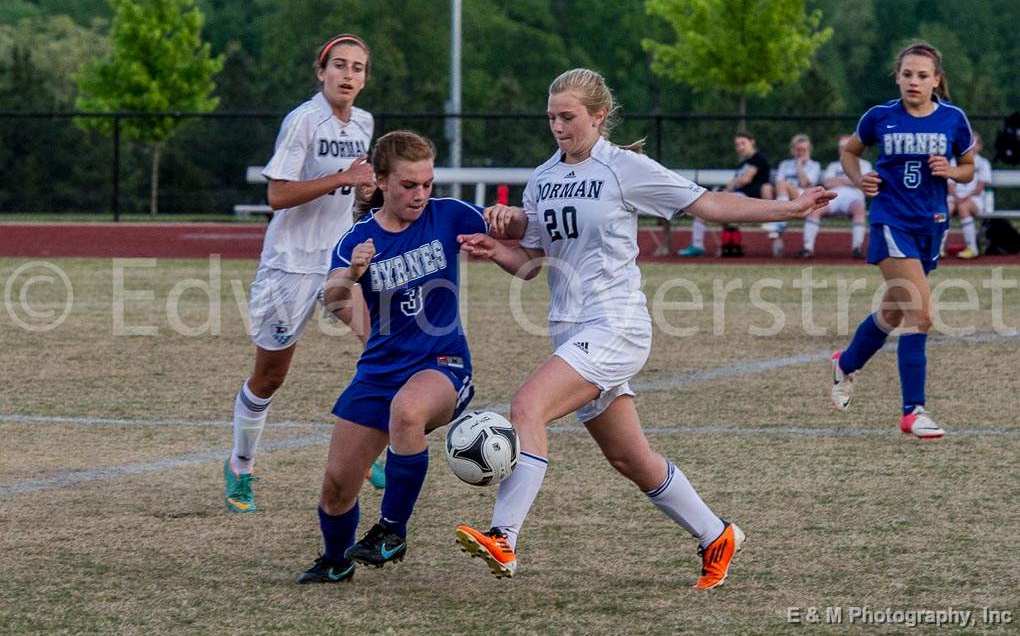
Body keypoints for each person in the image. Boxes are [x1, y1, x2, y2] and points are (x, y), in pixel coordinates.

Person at [455, 68, 834, 589]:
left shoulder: (623, 168)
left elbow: (711, 205)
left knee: (527, 407)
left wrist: (787, 207)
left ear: (598, 116)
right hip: (571, 330)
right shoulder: (542, 178)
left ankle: (504, 537)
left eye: (568, 117)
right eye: (551, 118)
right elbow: (531, 264)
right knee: (629, 456)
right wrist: (497, 248)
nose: (559, 127)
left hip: (616, 324)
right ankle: (715, 534)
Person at [296, 130, 525, 583]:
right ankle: (336, 562)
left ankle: (392, 531)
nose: (420, 195)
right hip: (380, 370)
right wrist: (353, 273)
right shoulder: (358, 239)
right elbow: (332, 296)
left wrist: (508, 216)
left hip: (443, 364)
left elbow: (518, 228)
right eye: (408, 185)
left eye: (427, 183)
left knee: (407, 412)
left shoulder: (448, 215)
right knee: (337, 487)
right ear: (381, 181)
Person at [223, 34, 381, 514]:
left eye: (358, 67)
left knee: (379, 345)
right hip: (288, 265)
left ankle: (376, 452)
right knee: (269, 378)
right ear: (321, 71)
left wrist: (367, 193)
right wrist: (343, 179)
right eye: (339, 65)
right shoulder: (302, 121)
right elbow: (278, 196)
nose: (348, 75)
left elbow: (354, 193)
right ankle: (240, 466)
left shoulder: (365, 123)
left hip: (336, 261)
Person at [831, 41, 975, 439]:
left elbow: (969, 169)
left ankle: (845, 364)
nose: (914, 81)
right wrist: (861, 180)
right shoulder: (880, 117)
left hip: (931, 224)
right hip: (890, 222)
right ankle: (913, 411)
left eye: (923, 75)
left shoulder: (953, 119)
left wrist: (951, 170)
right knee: (921, 314)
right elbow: (850, 153)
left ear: (937, 81)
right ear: (897, 77)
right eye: (907, 74)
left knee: (893, 314)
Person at [678, 131, 772, 257]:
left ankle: (698, 245)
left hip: (748, 200)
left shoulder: (758, 158)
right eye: (737, 144)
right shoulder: (743, 163)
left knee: (703, 209)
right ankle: (699, 246)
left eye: (743, 143)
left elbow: (746, 179)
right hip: (738, 198)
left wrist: (728, 188)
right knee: (701, 212)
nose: (740, 147)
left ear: (752, 142)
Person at [797, 134, 870, 260]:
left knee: (860, 208)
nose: (843, 149)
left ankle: (856, 248)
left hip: (853, 200)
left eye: (846, 146)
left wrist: (843, 180)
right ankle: (807, 249)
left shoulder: (864, 164)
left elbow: (863, 183)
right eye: (841, 147)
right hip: (833, 197)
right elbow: (828, 182)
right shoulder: (833, 165)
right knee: (814, 210)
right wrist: (853, 179)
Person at [769, 134, 821, 256]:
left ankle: (780, 222)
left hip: (805, 195)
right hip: (786, 197)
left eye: (804, 150)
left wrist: (799, 165)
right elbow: (778, 185)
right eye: (798, 149)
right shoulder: (784, 164)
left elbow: (806, 184)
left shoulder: (814, 165)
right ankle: (778, 228)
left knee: (783, 184)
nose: (800, 152)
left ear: (809, 150)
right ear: (792, 150)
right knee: (778, 186)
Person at [947, 131, 991, 258]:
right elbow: (950, 185)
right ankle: (938, 247)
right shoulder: (954, 161)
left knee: (963, 207)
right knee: (942, 211)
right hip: (954, 198)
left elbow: (980, 187)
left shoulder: (983, 163)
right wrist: (956, 197)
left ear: (979, 146)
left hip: (974, 200)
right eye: (969, 143)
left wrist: (962, 198)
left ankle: (972, 248)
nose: (971, 147)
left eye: (975, 143)